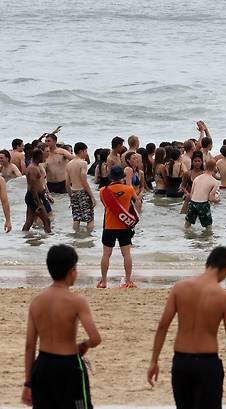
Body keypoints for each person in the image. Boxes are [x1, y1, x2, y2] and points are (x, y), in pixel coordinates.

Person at [148, 246, 226, 409]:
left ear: (208, 263)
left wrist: (154, 361)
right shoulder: (225, 298)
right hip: (207, 364)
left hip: (181, 362)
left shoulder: (180, 288)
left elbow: (162, 326)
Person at [22, 245, 101, 408]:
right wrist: (84, 345)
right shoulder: (76, 301)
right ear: (72, 271)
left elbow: (29, 346)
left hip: (43, 366)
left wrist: (28, 383)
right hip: (69, 366)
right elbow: (95, 338)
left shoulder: (37, 302)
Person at [99, 165, 141, 289]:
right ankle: (128, 280)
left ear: (111, 177)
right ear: (122, 177)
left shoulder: (103, 191)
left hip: (109, 226)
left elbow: (105, 206)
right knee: (126, 254)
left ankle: (104, 281)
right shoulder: (129, 189)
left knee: (106, 254)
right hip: (124, 226)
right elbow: (137, 202)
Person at [65, 142, 96, 232]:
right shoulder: (83, 163)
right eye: (86, 151)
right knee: (89, 218)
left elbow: (67, 183)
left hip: (73, 192)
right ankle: (88, 238)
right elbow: (84, 180)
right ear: (81, 151)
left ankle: (76, 235)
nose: (86, 153)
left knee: (76, 218)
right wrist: (92, 196)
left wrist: (71, 196)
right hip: (82, 191)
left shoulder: (69, 164)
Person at [23, 149, 53, 233]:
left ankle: (24, 237)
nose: (44, 158)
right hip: (34, 197)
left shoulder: (35, 166)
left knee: (29, 221)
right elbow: (33, 187)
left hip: (34, 196)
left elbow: (38, 184)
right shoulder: (33, 169)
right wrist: (39, 203)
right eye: (43, 156)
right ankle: (49, 239)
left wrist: (46, 195)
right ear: (39, 156)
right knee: (46, 220)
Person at [185, 158, 220, 229]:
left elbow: (191, 195)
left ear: (205, 166)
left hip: (193, 203)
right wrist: (217, 199)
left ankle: (187, 239)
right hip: (203, 205)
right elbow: (211, 198)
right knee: (208, 227)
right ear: (215, 167)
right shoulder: (214, 182)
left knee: (187, 225)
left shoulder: (197, 178)